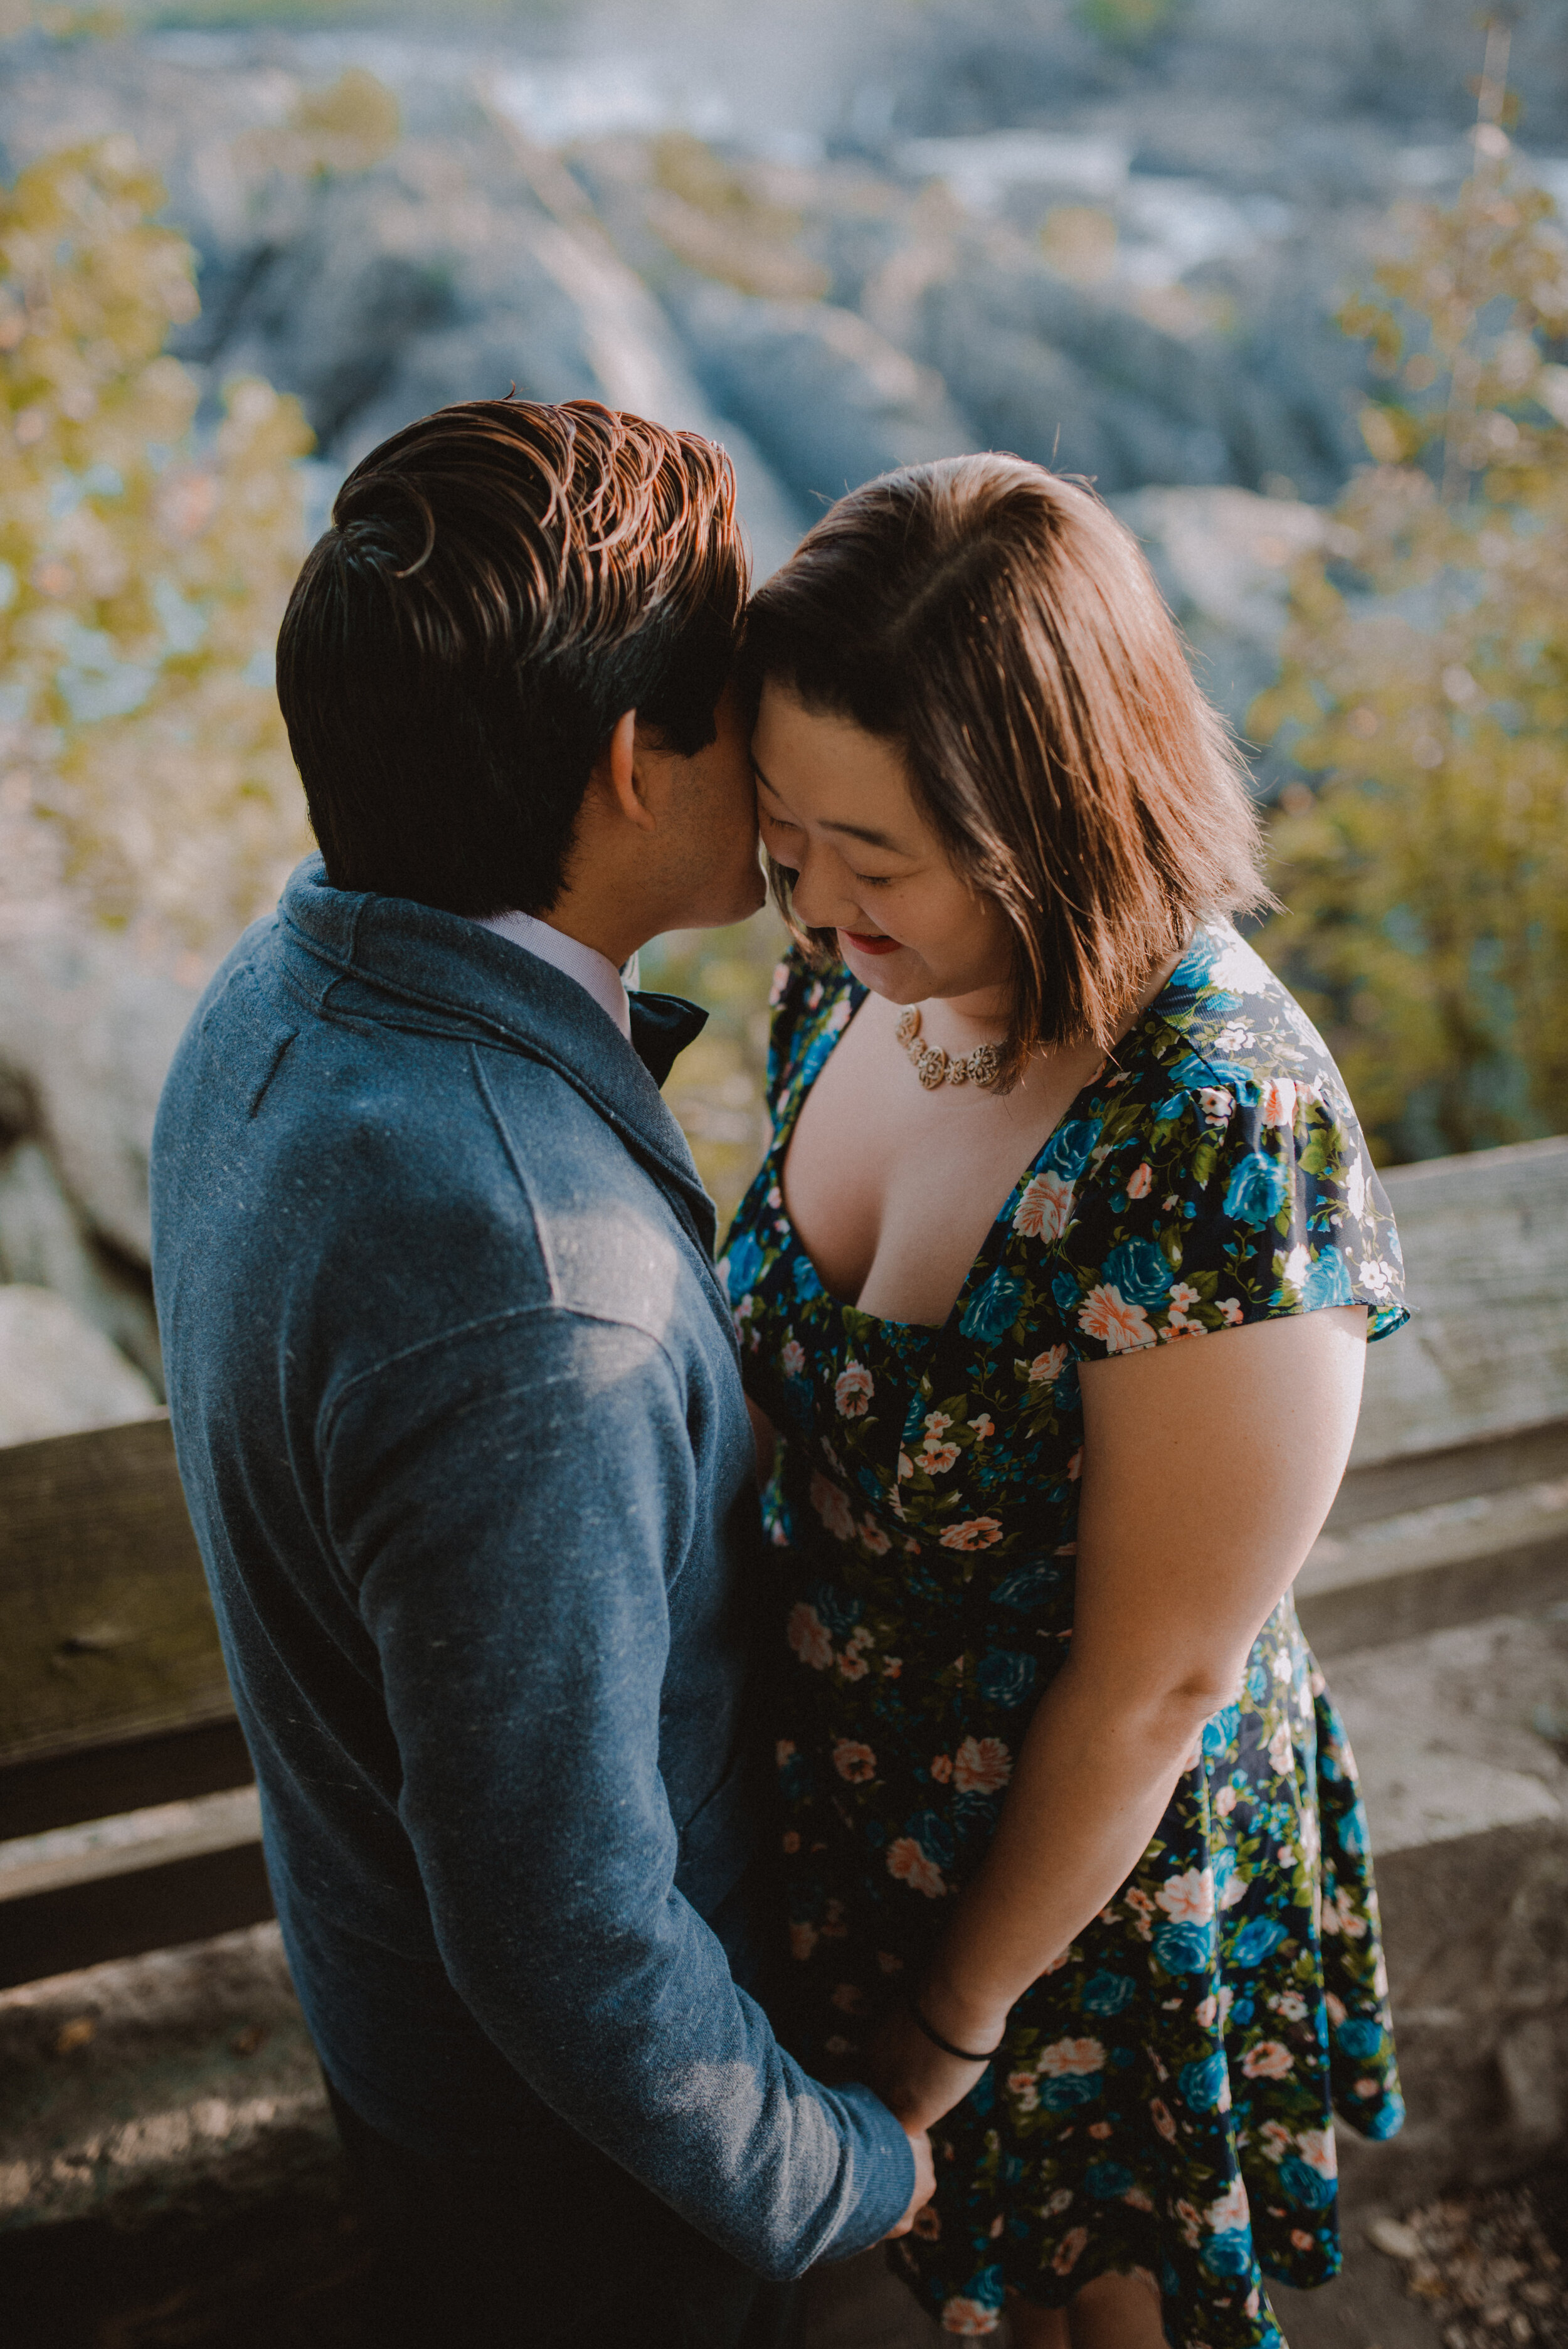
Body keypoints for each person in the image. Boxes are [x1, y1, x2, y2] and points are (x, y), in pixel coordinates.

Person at [150, 398, 931, 2349]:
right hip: (597, 2193)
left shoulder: (284, 985)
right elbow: (564, 1928)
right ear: (624, 761)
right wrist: (833, 2177)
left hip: (406, 2046)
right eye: (730, 679)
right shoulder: (531, 1292)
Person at [719, 455, 1407, 2349]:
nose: (815, 903)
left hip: (1079, 1879)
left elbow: (1153, 1686)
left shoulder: (1212, 1121)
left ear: (1051, 805)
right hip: (844, 1807)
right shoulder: (846, 980)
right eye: (787, 836)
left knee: (1095, 2314)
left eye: (876, 856)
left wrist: (940, 2035)